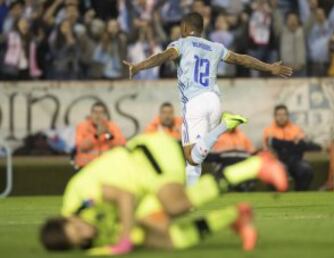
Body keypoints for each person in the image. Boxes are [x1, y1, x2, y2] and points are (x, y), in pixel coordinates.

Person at [40, 132, 288, 254]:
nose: (86, 232)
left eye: (77, 227)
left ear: (67, 217)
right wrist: (134, 236)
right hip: (142, 188)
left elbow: (124, 198)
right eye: (79, 238)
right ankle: (235, 217)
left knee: (174, 205)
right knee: (169, 241)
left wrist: (125, 237)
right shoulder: (88, 238)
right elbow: (123, 230)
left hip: (146, 156)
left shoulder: (78, 195)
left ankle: (256, 165)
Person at [123, 12, 293, 186]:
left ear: (184, 28)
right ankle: (191, 197)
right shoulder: (215, 47)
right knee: (197, 156)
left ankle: (224, 126)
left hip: (194, 102)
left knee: (191, 156)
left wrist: (138, 66)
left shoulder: (180, 44)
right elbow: (241, 59)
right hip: (213, 100)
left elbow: (163, 57)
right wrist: (269, 67)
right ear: (201, 29)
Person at [263, 104, 313, 191]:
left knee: (306, 170)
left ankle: (299, 196)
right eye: (279, 115)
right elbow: (272, 145)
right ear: (275, 116)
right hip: (277, 160)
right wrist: (292, 143)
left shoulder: (296, 129)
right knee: (278, 170)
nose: (281, 117)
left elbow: (302, 146)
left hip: (295, 160)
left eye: (284, 114)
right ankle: (279, 199)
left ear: (287, 116)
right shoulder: (268, 130)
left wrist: (281, 144)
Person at [74, 102, 126, 169]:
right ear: (91, 114)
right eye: (95, 112)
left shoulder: (112, 126)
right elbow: (80, 147)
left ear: (105, 115)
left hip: (107, 165)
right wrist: (96, 135)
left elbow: (121, 145)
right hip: (86, 166)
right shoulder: (82, 127)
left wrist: (108, 134)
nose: (98, 116)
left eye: (101, 113)